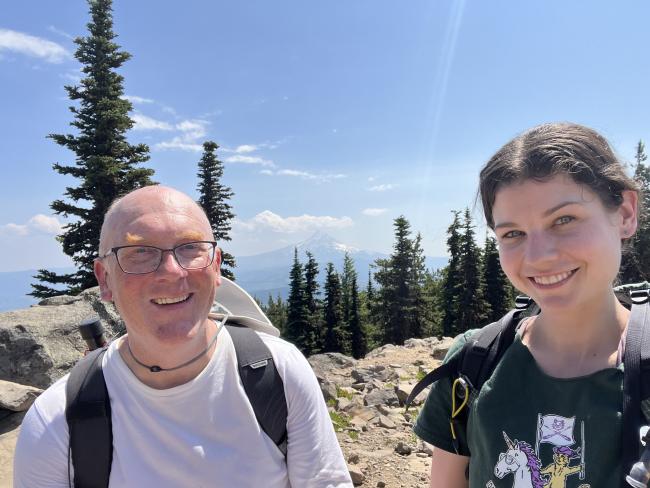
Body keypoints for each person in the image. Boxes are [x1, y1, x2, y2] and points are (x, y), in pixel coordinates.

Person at [14, 185, 353, 487]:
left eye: (191, 247)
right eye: (140, 251)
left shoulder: (277, 371)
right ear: (105, 279)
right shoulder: (56, 422)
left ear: (216, 266)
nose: (172, 271)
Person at [413, 122, 640, 487]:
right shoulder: (474, 362)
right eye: (513, 234)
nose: (538, 257)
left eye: (564, 220)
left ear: (626, 214)